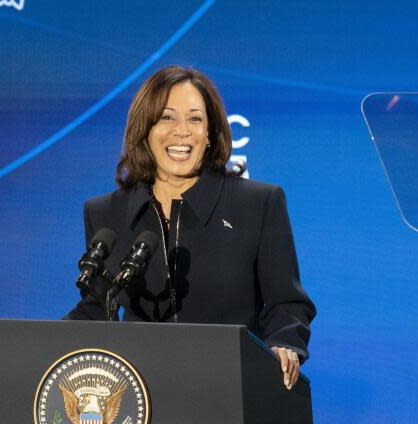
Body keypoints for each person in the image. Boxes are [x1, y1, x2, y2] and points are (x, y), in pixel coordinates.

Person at [64, 65, 315, 389]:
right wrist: (33, 348)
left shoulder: (258, 203)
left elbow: (287, 303)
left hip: (233, 390)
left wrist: (284, 344)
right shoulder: (106, 213)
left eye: (195, 119)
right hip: (139, 398)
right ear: (146, 129)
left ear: (210, 132)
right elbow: (98, 306)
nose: (181, 131)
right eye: (166, 117)